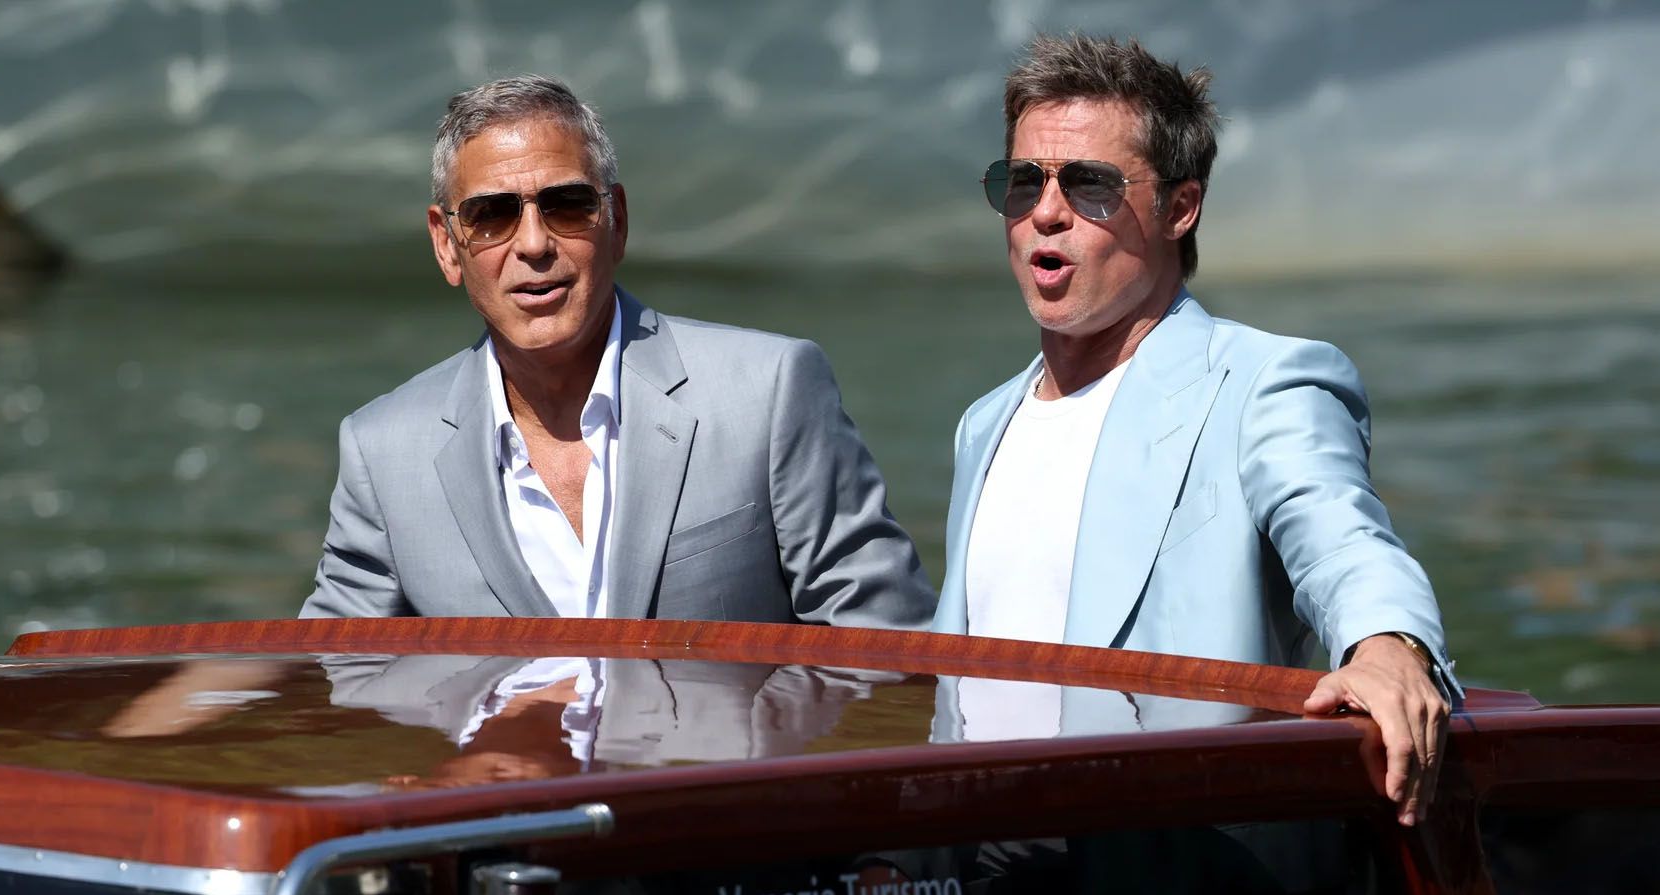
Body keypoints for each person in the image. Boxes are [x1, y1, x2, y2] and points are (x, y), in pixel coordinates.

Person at [933, 34, 1461, 827]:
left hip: (1169, 844)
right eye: (1022, 181)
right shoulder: (986, 422)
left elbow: (1343, 541)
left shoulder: (1262, 384)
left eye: (1090, 184)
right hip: (976, 844)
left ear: (1180, 208)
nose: (1045, 211)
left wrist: (1389, 645)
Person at [301, 76, 932, 629]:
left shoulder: (768, 392)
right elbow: (335, 680)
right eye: (491, 215)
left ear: (618, 219)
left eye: (566, 205)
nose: (534, 244)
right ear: (447, 245)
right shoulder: (382, 451)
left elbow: (883, 648)